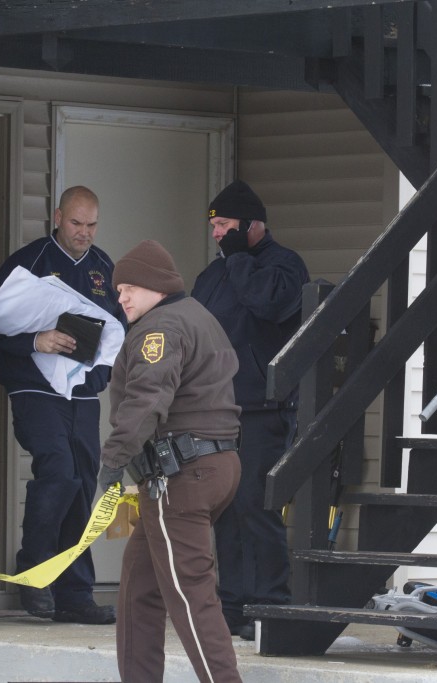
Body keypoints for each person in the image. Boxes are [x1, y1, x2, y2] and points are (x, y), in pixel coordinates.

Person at [96, 240, 243, 683]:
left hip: (179, 476)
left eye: (130, 288)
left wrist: (109, 467)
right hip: (215, 465)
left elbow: (145, 403)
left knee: (190, 594)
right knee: (139, 587)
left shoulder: (160, 329)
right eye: (118, 288)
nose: (121, 297)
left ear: (157, 286)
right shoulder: (199, 316)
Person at [0, 185, 124, 625]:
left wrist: (98, 374)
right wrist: (36, 340)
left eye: (92, 225)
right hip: (33, 385)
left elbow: (117, 332)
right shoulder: (30, 260)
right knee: (58, 471)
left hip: (81, 389)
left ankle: (74, 596)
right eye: (76, 223)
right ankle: (33, 568)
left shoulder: (104, 267)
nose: (84, 233)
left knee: (82, 485)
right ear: (58, 217)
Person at [192, 179, 310, 640]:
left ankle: (271, 603)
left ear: (253, 225)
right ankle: (233, 605)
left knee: (257, 506)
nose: (218, 233)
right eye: (214, 225)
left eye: (225, 224)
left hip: (264, 407)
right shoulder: (213, 273)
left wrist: (240, 257)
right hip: (217, 408)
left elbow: (270, 304)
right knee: (224, 507)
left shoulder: (284, 265)